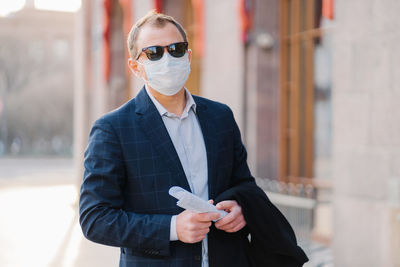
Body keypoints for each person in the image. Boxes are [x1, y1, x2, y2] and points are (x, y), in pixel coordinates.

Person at [79, 11, 308, 267]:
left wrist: (240, 208)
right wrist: (173, 227)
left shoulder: (220, 116)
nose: (167, 59)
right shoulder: (113, 129)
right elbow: (95, 218)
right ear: (135, 66)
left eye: (176, 49)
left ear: (188, 56)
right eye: (154, 52)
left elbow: (244, 183)